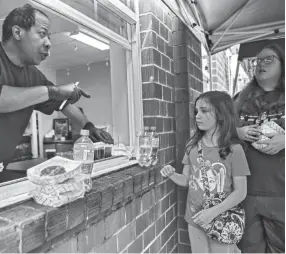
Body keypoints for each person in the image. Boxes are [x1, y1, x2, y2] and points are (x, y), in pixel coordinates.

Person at [0, 4, 114, 182]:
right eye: (42, 33)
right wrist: (55, 90)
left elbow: (63, 104)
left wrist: (88, 127)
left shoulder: (33, 74)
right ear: (17, 32)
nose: (48, 43)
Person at [161, 91, 250, 253]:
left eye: (204, 111)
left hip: (222, 220)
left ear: (221, 114)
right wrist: (172, 174)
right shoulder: (192, 146)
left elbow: (241, 191)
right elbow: (187, 180)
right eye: (196, 112)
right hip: (195, 219)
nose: (197, 116)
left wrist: (212, 213)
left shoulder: (234, 150)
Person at [234, 44, 285, 253]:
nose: (260, 64)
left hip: (281, 192)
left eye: (268, 59)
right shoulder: (240, 99)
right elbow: (219, 130)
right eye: (258, 61)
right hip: (246, 192)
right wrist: (239, 133)